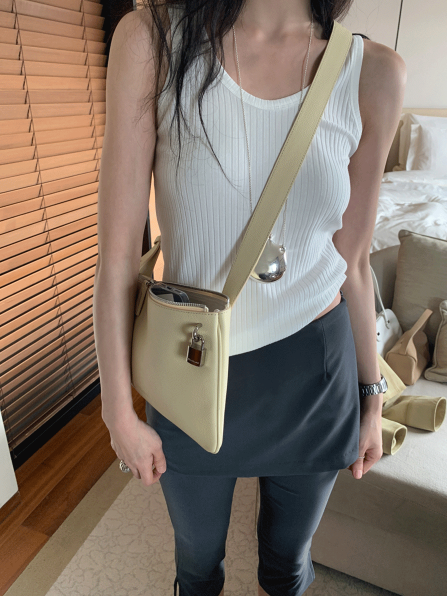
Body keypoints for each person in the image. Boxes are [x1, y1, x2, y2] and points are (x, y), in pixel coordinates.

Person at [93, 1, 406, 595]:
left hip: (316, 376)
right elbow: (116, 262)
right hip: (189, 370)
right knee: (197, 565)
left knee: (287, 565)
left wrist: (372, 400)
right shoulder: (153, 41)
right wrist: (117, 413)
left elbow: (354, 262)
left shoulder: (373, 72)